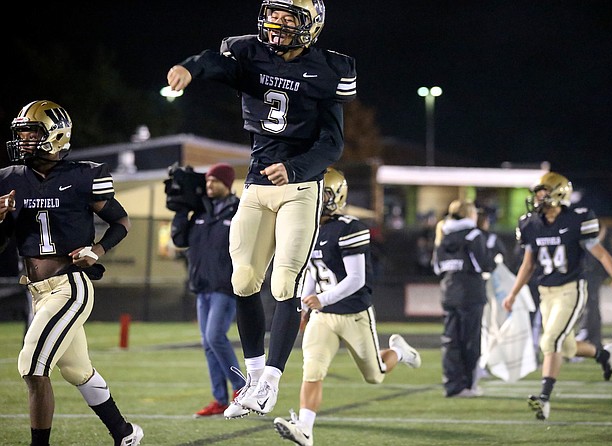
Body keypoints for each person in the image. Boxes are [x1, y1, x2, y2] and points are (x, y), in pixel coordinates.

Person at [166, 0, 356, 418]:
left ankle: (270, 381)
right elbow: (214, 62)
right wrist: (189, 69)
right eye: (275, 15)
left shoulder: (330, 68)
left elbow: (333, 143)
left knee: (285, 282)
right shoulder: (248, 52)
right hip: (256, 182)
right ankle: (251, 380)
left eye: (291, 19)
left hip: (301, 185)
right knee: (244, 277)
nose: (278, 25)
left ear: (312, 26)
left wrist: (294, 168)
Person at [0, 100, 143, 445]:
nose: (25, 140)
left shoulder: (85, 175)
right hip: (36, 291)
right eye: (22, 133)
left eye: (32, 132)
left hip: (70, 285)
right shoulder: (9, 179)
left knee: (32, 366)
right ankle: (125, 434)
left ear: (56, 134)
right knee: (77, 370)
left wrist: (98, 250)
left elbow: (120, 221)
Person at [273, 167, 421, 446]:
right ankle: (305, 429)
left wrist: (322, 299)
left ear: (337, 195)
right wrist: (306, 307)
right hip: (323, 316)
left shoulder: (350, 227)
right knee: (313, 369)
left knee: (374, 376)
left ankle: (399, 352)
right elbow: (313, 272)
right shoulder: (308, 227)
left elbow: (356, 279)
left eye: (324, 193)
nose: (318, 199)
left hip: (353, 314)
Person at [502, 172, 612, 421]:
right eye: (537, 193)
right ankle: (603, 354)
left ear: (558, 194)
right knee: (566, 347)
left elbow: (599, 253)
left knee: (549, 342)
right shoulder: (530, 224)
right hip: (546, 292)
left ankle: (544, 398)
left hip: (571, 289)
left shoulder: (577, 219)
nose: (537, 198)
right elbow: (528, 265)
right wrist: (513, 293)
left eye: (543, 192)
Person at [170, 163, 246, 417]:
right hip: (202, 286)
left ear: (228, 184)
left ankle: (242, 389)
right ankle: (220, 400)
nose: (209, 185)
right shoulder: (201, 211)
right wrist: (181, 210)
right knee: (208, 344)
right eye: (208, 181)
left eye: (215, 181)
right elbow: (179, 240)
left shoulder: (239, 211)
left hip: (225, 287)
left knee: (215, 337)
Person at [432, 199, 496, 397]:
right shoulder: (473, 234)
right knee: (470, 341)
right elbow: (485, 265)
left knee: (451, 340)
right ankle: (468, 385)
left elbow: (436, 268)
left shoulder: (443, 234)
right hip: (471, 294)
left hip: (449, 293)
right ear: (470, 214)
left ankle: (452, 385)